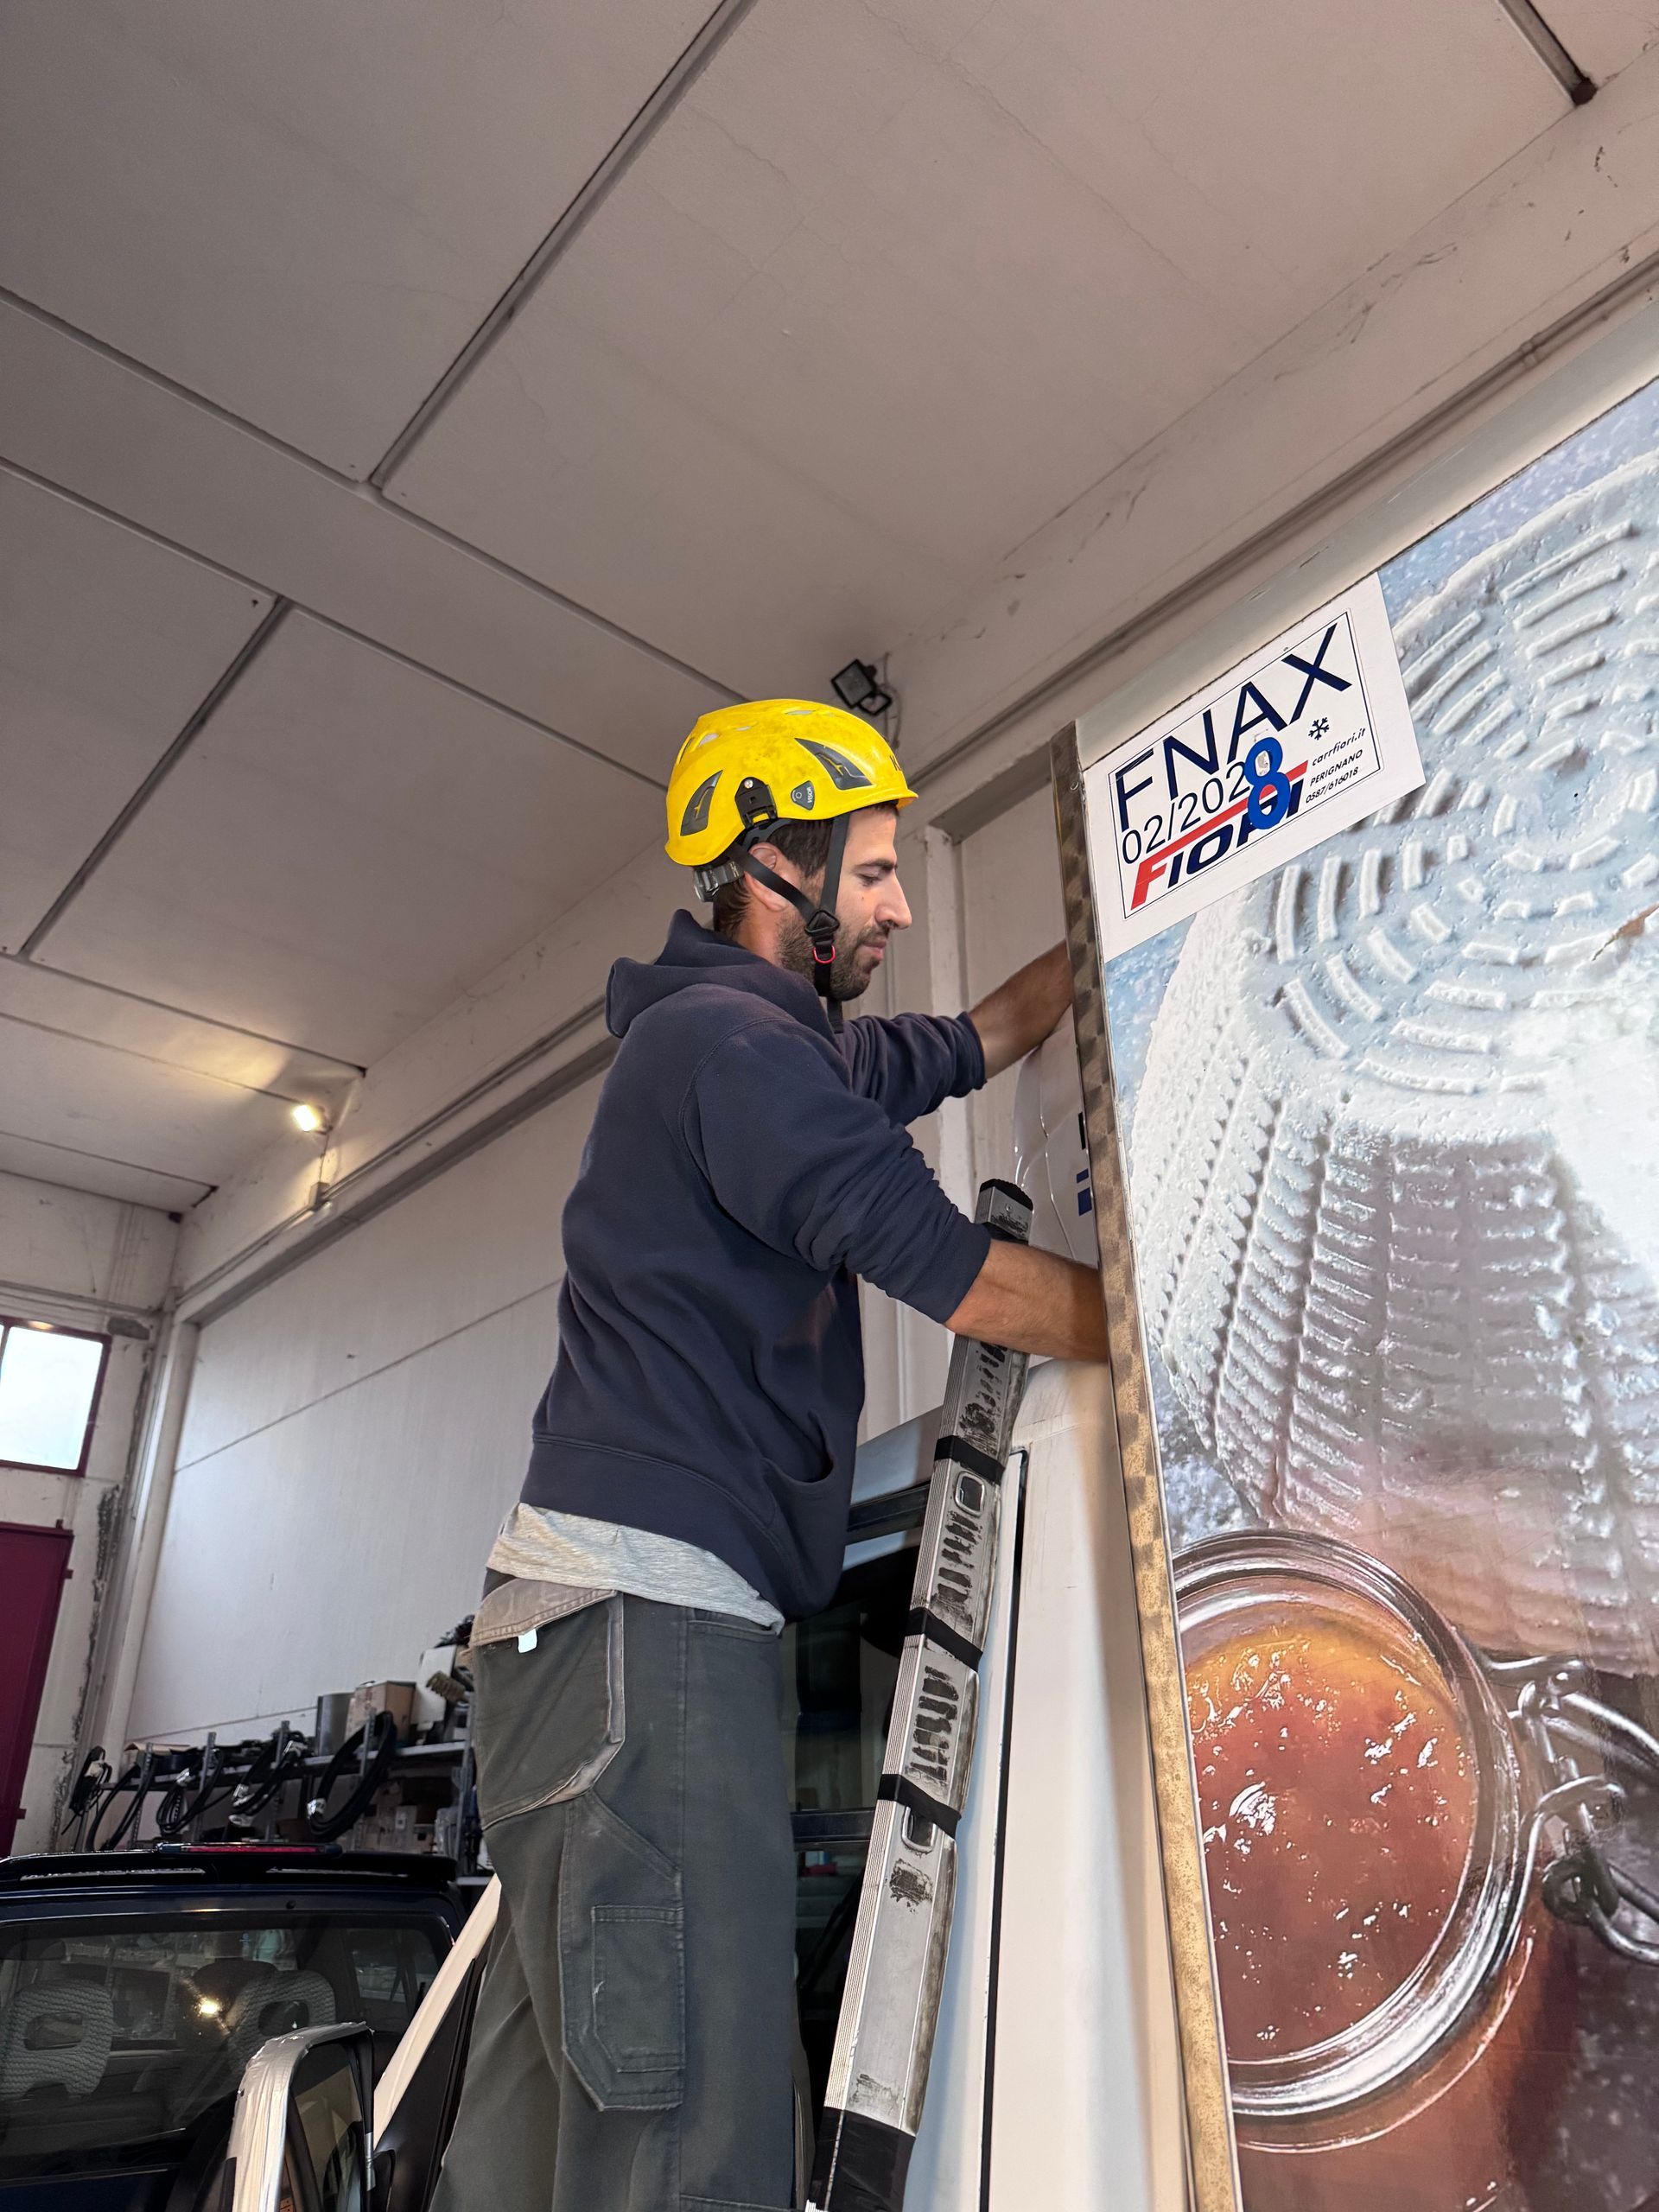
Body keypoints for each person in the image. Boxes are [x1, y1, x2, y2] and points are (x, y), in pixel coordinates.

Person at [433, 700, 1108, 2212]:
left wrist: (1117, 922)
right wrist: (1175, 1322)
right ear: (770, 871)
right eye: (870, 873)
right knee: (695, 2141)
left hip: (570, 1652)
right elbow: (966, 1278)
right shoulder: (740, 1056)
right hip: (651, 1634)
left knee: (547, 2143)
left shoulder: (748, 1046)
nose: (897, 905)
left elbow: (975, 1039)